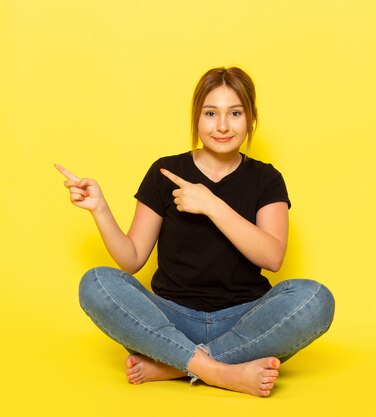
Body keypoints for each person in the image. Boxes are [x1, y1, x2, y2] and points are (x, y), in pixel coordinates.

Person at [55, 67, 334, 397]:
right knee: (96, 283)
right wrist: (99, 208)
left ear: (250, 118)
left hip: (244, 318)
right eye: (211, 113)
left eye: (235, 113)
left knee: (316, 300)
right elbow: (131, 260)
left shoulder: (266, 178)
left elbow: (272, 257)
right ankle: (220, 372)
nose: (222, 126)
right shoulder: (165, 171)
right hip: (172, 317)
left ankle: (176, 364)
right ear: (196, 117)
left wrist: (211, 204)